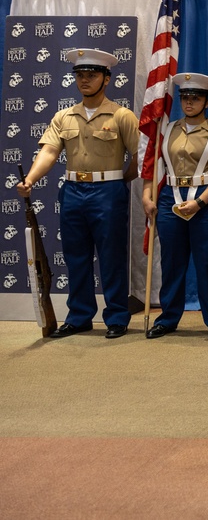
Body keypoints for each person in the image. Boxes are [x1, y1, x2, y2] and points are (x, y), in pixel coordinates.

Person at [16, 48, 139, 339]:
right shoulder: (64, 116)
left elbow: (141, 156)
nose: (84, 80)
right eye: (80, 75)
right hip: (72, 191)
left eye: (92, 75)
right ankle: (80, 316)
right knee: (76, 256)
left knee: (111, 256)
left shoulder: (122, 116)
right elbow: (49, 151)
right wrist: (30, 179)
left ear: (106, 79)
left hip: (108, 191)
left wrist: (118, 180)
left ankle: (117, 316)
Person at [141, 73, 208, 340]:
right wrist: (147, 194)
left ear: (207, 102)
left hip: (206, 199)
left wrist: (200, 202)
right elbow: (152, 166)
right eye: (185, 97)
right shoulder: (165, 130)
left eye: (196, 97)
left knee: (206, 262)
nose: (189, 101)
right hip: (170, 197)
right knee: (171, 262)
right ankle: (168, 318)